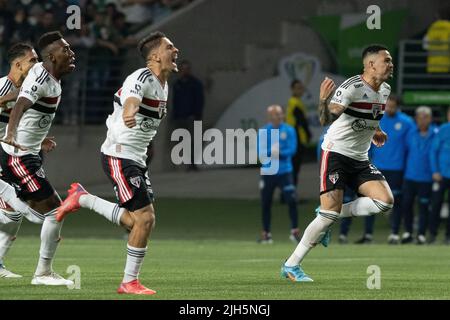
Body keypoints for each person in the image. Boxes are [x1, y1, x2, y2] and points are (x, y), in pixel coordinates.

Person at [56, 31, 179, 295]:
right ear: (155, 56)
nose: (175, 50)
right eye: (170, 47)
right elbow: (131, 100)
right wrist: (129, 111)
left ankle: (83, 198)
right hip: (120, 155)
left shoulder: (164, 84)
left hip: (135, 157)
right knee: (144, 219)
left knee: (139, 222)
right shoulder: (140, 77)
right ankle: (128, 282)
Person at [281, 44, 394, 282]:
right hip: (336, 154)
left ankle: (329, 215)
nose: (391, 65)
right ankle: (291, 265)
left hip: (360, 158)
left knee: (385, 202)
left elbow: (370, 115)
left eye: (391, 61)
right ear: (371, 64)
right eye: (387, 61)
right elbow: (326, 118)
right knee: (328, 215)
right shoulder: (351, 87)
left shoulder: (385, 90)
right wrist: (323, 101)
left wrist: (377, 130)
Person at [0, 31, 75, 286]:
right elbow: (20, 105)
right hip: (17, 156)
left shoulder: (49, 79)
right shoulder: (39, 78)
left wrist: (38, 139)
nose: (72, 53)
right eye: (66, 50)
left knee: (14, 216)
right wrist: (11, 134)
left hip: (24, 153)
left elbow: (25, 106)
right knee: (54, 211)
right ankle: (42, 273)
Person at [0, 43, 39, 278]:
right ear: (17, 64)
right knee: (15, 206)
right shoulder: (4, 86)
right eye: (32, 61)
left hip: (6, 157)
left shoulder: (28, 93)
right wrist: (10, 97)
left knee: (13, 213)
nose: (36, 65)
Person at [354, 95, 414, 244]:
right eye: (388, 106)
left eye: (393, 106)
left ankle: (394, 233)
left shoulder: (407, 123)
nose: (390, 109)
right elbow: (367, 142)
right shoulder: (377, 120)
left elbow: (410, 147)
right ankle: (368, 234)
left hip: (397, 168)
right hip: (377, 167)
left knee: (397, 201)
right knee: (371, 200)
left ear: (398, 106)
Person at [257, 105, 299, 244]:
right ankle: (266, 233)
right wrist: (271, 151)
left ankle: (294, 232)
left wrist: (279, 153)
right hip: (268, 172)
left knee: (291, 200)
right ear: (270, 117)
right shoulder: (263, 132)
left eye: (280, 114)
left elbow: (292, 149)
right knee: (265, 203)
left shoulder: (289, 130)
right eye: (276, 114)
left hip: (285, 171)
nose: (279, 117)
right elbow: (260, 153)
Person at [400, 106, 436, 245]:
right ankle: (408, 232)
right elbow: (404, 152)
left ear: (430, 119)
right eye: (420, 117)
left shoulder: (435, 133)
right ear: (416, 119)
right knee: (407, 205)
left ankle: (421, 234)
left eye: (425, 117)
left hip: (427, 177)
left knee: (424, 207)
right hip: (410, 175)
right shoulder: (410, 133)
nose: (422, 120)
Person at [171, 59, 204, 171]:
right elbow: (175, 101)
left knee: (193, 141)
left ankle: (193, 163)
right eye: (183, 69)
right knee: (183, 141)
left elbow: (199, 101)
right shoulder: (177, 85)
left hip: (192, 117)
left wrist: (196, 114)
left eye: (187, 69)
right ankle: (187, 163)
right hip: (180, 118)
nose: (185, 71)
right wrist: (175, 116)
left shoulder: (196, 84)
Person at [429, 107, 450, 244]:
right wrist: (435, 171)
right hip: (441, 176)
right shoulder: (443, 129)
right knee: (436, 205)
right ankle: (432, 235)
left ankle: (448, 236)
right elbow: (433, 152)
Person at [286, 79, 311, 187]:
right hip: (296, 139)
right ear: (292, 89)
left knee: (292, 167)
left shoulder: (294, 102)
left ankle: (288, 193)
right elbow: (302, 122)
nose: (300, 90)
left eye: (301, 88)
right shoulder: (295, 103)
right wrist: (308, 134)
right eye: (297, 88)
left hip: (292, 138)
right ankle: (290, 194)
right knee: (294, 167)